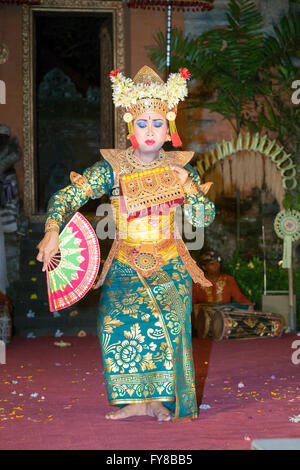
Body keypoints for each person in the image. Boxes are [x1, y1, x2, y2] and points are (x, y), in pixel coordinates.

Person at [36, 66, 215, 422]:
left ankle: (161, 400)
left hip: (170, 263)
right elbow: (65, 197)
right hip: (125, 263)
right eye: (142, 123)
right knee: (112, 321)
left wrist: (190, 188)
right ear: (130, 125)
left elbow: (203, 219)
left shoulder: (181, 169)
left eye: (158, 123)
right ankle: (136, 400)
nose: (150, 131)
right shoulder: (112, 169)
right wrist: (53, 228)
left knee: (170, 320)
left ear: (170, 126)